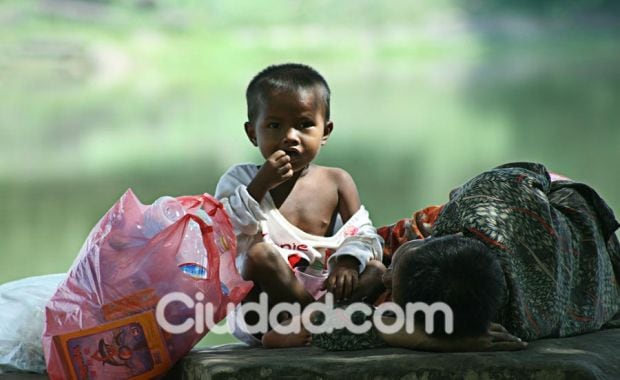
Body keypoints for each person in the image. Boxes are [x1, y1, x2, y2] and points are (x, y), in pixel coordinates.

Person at [313, 162, 620, 351]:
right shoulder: (513, 318)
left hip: (560, 196)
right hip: (576, 224)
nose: (386, 275)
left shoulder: (508, 327)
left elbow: (324, 328)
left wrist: (422, 339)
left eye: (393, 279)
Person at [215, 63, 385, 347]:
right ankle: (322, 325)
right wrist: (260, 185)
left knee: (377, 271)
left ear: (326, 131)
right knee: (259, 254)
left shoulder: (337, 182)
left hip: (324, 296)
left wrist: (347, 261)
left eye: (305, 124)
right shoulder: (240, 179)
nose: (290, 136)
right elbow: (223, 235)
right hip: (264, 312)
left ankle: (313, 323)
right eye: (274, 125)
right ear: (252, 133)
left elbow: (367, 236)